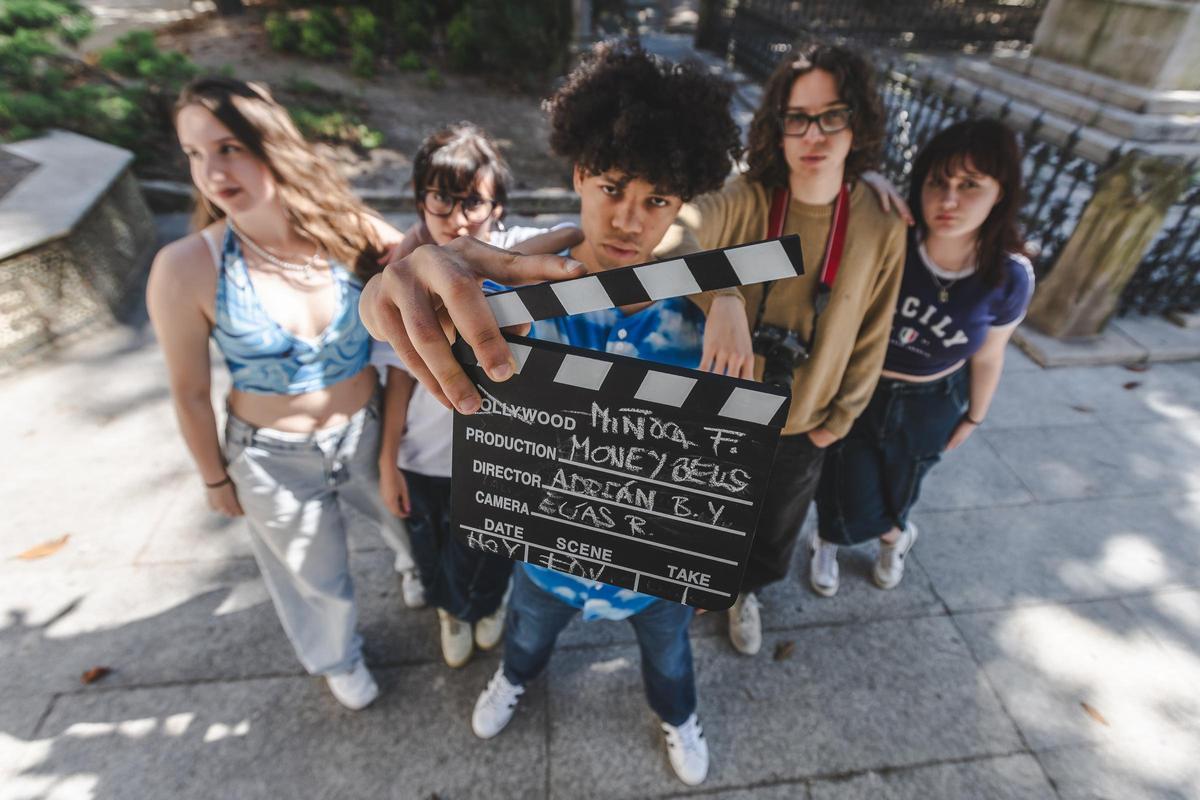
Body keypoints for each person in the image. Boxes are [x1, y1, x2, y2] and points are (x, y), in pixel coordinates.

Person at [449, 42, 740, 787]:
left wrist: (728, 296)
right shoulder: (521, 285)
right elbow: (437, 298)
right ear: (579, 171)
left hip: (651, 568)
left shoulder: (698, 310)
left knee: (670, 660)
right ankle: (513, 679)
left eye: (657, 200)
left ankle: (678, 716)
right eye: (612, 187)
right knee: (525, 639)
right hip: (546, 555)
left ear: (681, 202)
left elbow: (717, 450)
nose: (628, 219)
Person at [146, 77, 417, 710]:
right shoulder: (185, 267)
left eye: (229, 147)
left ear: (272, 143)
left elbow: (421, 276)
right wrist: (215, 478)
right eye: (194, 154)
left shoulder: (349, 230)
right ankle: (337, 658)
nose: (212, 172)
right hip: (271, 459)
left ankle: (414, 570)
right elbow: (189, 393)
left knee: (411, 526)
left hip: (368, 429)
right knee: (314, 577)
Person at [673, 42, 908, 655]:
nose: (814, 135)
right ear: (777, 127)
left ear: (857, 122)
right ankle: (704, 579)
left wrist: (840, 418)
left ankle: (745, 591)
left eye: (832, 116)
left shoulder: (881, 221)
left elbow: (874, 327)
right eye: (797, 118)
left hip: (805, 422)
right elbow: (674, 239)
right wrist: (723, 299)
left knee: (774, 529)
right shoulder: (747, 197)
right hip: (727, 408)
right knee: (709, 507)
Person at [373, 122, 582, 669]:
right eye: (441, 199)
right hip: (423, 454)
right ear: (420, 199)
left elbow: (572, 231)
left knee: (492, 546)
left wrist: (483, 259)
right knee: (431, 540)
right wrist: (388, 460)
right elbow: (397, 377)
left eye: (473, 202)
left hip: (499, 454)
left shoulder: (508, 248)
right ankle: (451, 610)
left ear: (498, 207)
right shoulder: (403, 274)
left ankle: (485, 604)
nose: (458, 218)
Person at [811, 119, 1033, 593]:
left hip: (934, 398)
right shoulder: (893, 236)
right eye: (937, 182)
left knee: (905, 479)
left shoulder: (1010, 276)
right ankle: (828, 539)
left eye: (969, 185)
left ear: (1001, 192)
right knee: (842, 476)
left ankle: (893, 538)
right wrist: (867, 180)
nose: (948, 200)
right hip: (861, 385)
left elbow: (989, 355)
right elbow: (829, 203)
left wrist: (974, 416)